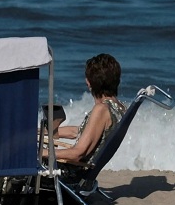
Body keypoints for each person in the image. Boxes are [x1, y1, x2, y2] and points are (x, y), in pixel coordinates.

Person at [44, 53, 126, 195]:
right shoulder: (118, 108)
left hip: (70, 177)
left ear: (90, 83)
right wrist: (43, 131)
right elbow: (83, 132)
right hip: (83, 174)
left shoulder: (101, 110)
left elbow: (77, 154)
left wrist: (42, 153)